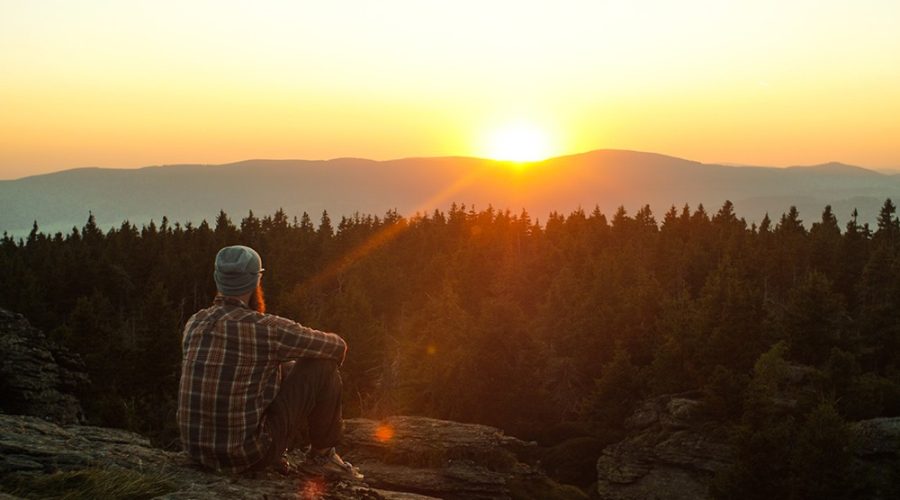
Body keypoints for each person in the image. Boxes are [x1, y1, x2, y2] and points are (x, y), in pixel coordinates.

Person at [177, 245, 363, 479]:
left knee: (282, 368)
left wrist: (281, 367)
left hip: (195, 452)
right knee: (322, 366)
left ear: (217, 279)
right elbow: (336, 347)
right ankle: (321, 457)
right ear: (257, 280)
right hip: (247, 456)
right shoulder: (266, 328)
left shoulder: (195, 322)